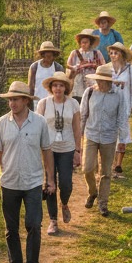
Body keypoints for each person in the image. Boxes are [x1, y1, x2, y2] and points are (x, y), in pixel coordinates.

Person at [0, 81, 55, 263]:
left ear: (26, 100)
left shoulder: (39, 122)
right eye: (9, 99)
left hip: (33, 182)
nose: (12, 103)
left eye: (15, 99)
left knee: (34, 224)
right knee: (11, 227)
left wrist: (50, 180)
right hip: (9, 182)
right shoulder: (2, 123)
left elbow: (47, 151)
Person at [35, 73, 82, 236]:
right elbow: (38, 127)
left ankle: (65, 203)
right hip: (48, 149)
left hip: (67, 148)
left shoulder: (73, 103)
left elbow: (77, 128)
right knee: (49, 184)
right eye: (55, 85)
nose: (58, 88)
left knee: (66, 183)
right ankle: (53, 220)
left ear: (66, 88)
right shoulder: (43, 104)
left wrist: (78, 150)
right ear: (51, 88)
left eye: (61, 85)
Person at [80, 66, 129, 217]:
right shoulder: (89, 92)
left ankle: (103, 203)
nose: (100, 83)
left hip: (109, 137)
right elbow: (83, 115)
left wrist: (123, 139)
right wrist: (79, 136)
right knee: (87, 168)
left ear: (109, 82)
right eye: (98, 80)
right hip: (91, 134)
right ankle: (92, 192)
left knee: (106, 172)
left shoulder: (118, 95)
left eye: (103, 81)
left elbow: (122, 117)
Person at [105, 41, 132, 178]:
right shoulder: (107, 69)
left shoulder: (130, 70)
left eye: (116, 53)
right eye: (112, 53)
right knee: (110, 134)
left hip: (123, 105)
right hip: (109, 105)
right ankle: (109, 164)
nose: (113, 55)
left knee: (123, 134)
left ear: (122, 54)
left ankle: (118, 165)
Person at [67, 29, 105, 100]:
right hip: (78, 83)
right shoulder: (75, 53)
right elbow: (68, 67)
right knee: (78, 100)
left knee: (91, 100)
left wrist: (95, 66)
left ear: (90, 42)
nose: (84, 44)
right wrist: (74, 69)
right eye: (82, 42)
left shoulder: (97, 53)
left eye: (86, 42)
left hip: (92, 82)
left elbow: (103, 67)